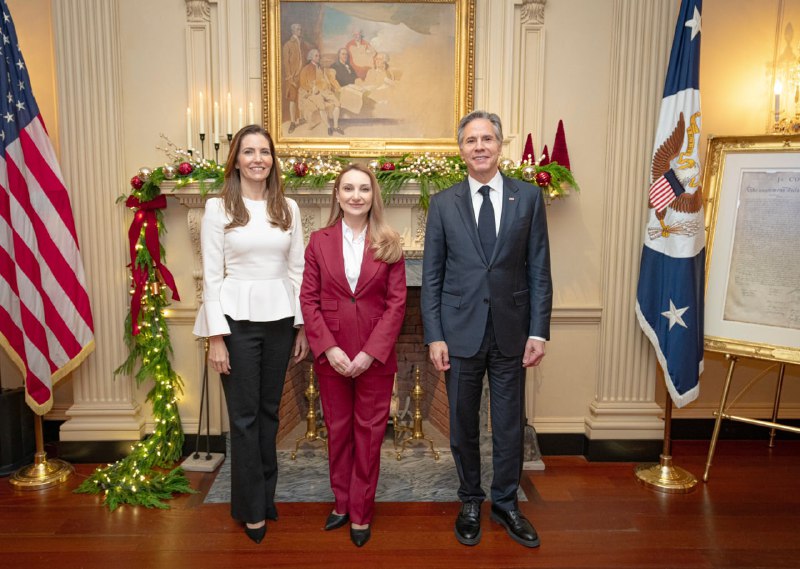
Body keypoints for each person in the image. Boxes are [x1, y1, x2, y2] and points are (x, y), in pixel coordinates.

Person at [421, 110, 552, 549]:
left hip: (513, 334)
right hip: (459, 335)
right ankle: (471, 499)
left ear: (500, 146)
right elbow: (433, 277)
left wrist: (539, 331)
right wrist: (434, 335)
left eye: (488, 139)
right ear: (461, 149)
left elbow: (539, 271)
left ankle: (506, 503)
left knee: (509, 425)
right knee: (462, 424)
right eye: (471, 140)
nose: (480, 146)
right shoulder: (442, 203)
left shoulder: (528, 198)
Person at [193, 124, 309, 544]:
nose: (258, 158)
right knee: (243, 420)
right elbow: (210, 274)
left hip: (280, 322)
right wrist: (216, 337)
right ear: (236, 160)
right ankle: (249, 507)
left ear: (272, 160)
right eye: (249, 151)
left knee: (270, 415)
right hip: (236, 323)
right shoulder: (217, 207)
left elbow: (296, 271)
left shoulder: (288, 208)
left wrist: (300, 327)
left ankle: (266, 495)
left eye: (265, 151)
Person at [300, 163, 406, 548]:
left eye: (364, 188)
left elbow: (397, 305)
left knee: (370, 434)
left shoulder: (390, 241)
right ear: (338, 195)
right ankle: (341, 502)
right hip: (332, 356)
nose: (356, 195)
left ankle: (361, 511)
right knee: (339, 433)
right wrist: (328, 348)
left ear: (373, 195)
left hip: (374, 359)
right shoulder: (318, 241)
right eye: (348, 188)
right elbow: (308, 300)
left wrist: (369, 354)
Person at [298, 48, 344, 135]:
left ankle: (336, 126)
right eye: (316, 56)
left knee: (337, 103)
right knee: (321, 106)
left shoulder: (321, 68)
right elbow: (303, 83)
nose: (318, 57)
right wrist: (311, 89)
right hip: (315, 93)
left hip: (325, 91)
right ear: (311, 57)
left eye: (319, 55)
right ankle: (328, 127)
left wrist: (332, 86)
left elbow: (327, 79)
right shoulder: (306, 69)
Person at [282, 23, 310, 134]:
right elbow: (286, 63)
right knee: (293, 99)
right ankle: (293, 122)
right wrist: (289, 78)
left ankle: (302, 117)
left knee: (302, 96)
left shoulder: (303, 44)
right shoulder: (288, 45)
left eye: (301, 29)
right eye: (298, 29)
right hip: (292, 76)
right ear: (293, 31)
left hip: (302, 75)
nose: (300, 31)